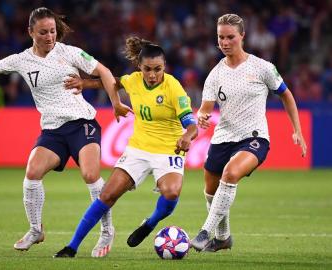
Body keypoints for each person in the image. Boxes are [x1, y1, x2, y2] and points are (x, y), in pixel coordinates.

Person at [0, 7, 131, 258]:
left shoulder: (69, 53)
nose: (50, 37)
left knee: (90, 174)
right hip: (53, 130)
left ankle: (107, 230)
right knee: (32, 173)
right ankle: (36, 230)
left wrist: (115, 102)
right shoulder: (22, 59)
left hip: (81, 123)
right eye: (43, 32)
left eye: (53, 31)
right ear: (31, 32)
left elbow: (104, 72)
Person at [53, 36, 198, 257]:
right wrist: (85, 83)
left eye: (157, 69)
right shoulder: (133, 80)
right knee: (107, 195)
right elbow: (111, 81)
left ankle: (149, 223)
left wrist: (187, 136)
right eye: (147, 69)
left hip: (169, 149)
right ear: (140, 67)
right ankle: (71, 247)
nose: (152, 75)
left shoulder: (174, 87)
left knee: (171, 192)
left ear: (164, 67)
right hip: (138, 148)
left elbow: (191, 123)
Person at [190, 14, 307, 252]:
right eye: (220, 37)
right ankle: (223, 238)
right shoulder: (215, 75)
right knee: (211, 190)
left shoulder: (262, 67)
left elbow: (286, 95)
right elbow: (205, 109)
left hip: (254, 137)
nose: (224, 42)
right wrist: (201, 117)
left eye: (230, 37)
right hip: (223, 138)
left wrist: (298, 130)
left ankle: (205, 232)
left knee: (230, 174)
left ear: (242, 36)